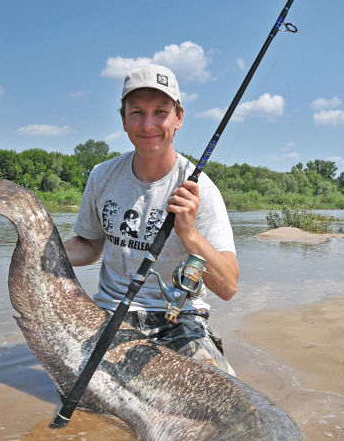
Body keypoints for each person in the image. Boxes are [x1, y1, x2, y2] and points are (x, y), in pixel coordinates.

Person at [64, 63, 239, 374]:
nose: (148, 124)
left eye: (160, 111)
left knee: (218, 391)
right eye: (136, 112)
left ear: (178, 117)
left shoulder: (203, 190)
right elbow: (90, 246)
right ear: (123, 120)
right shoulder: (102, 176)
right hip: (111, 313)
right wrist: (39, 252)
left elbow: (227, 286)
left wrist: (190, 235)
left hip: (181, 319)